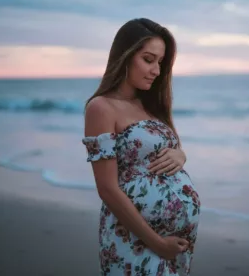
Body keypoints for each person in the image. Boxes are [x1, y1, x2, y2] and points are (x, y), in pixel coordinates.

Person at [82, 18, 201, 275]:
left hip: (173, 244)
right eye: (148, 59)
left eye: (160, 62)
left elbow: (168, 148)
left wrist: (180, 154)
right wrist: (157, 243)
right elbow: (107, 189)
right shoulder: (101, 108)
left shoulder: (151, 106)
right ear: (125, 56)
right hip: (134, 240)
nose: (156, 71)